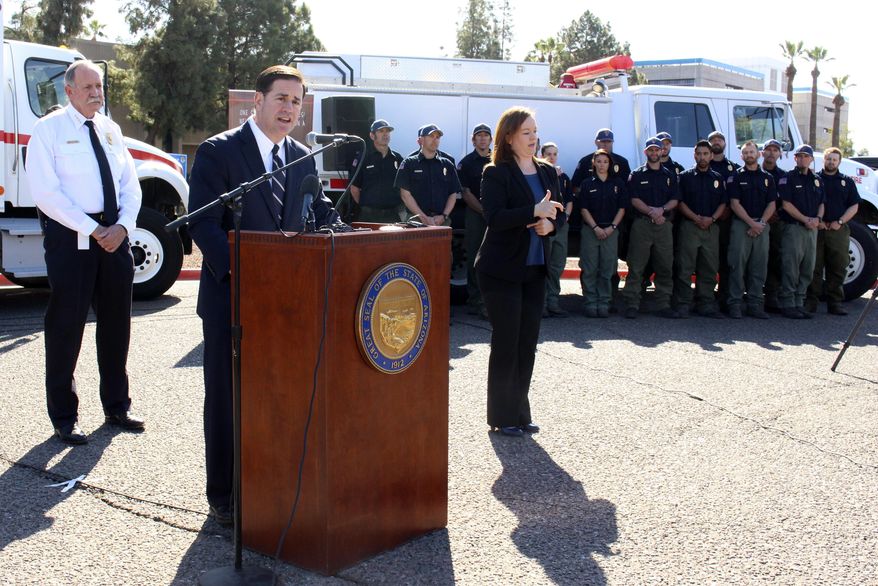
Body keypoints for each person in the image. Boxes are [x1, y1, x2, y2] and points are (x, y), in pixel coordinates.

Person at [188, 65, 339, 525]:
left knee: (278, 397)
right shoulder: (220, 151)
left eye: (297, 101)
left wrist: (345, 232)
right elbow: (202, 223)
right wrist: (246, 273)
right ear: (258, 100)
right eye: (281, 98)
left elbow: (315, 211)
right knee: (228, 399)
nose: (289, 108)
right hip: (233, 298)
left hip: (286, 302)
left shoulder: (300, 154)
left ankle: (272, 485)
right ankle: (226, 497)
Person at [25, 60, 144, 445]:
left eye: (100, 86)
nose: (97, 92)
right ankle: (64, 416)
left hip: (114, 238)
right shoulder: (49, 131)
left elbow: (130, 184)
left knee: (116, 327)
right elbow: (45, 192)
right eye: (89, 86)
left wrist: (123, 226)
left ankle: (117, 406)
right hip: (72, 239)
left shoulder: (111, 130)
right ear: (69, 91)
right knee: (66, 328)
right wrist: (94, 229)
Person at [475, 106, 564, 438]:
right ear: (509, 136)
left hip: (534, 268)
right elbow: (494, 217)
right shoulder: (495, 172)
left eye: (535, 131)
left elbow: (560, 214)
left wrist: (549, 224)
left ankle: (520, 412)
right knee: (507, 341)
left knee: (527, 342)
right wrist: (533, 211)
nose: (533, 138)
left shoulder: (547, 171)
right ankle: (501, 416)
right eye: (526, 132)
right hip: (500, 270)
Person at [622, 138, 680, 319]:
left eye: (657, 150)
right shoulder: (637, 174)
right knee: (637, 265)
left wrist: (661, 210)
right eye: (651, 150)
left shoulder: (670, 176)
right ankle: (632, 303)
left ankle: (663, 304)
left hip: (663, 225)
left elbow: (675, 199)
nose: (654, 153)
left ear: (662, 151)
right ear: (646, 152)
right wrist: (651, 212)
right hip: (642, 224)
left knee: (665, 266)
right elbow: (634, 199)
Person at [673, 140, 727, 318]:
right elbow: (680, 202)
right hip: (690, 226)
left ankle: (706, 304)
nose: (702, 157)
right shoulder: (685, 177)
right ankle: (683, 304)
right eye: (699, 154)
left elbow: (723, 204)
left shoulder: (718, 178)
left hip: (711, 228)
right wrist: (696, 218)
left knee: (709, 268)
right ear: (694, 155)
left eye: (706, 154)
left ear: (711, 155)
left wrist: (711, 219)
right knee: (685, 267)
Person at [726, 141, 777, 319]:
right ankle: (735, 304)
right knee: (737, 266)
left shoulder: (768, 178)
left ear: (758, 154)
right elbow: (734, 203)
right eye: (745, 152)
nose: (749, 155)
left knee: (759, 267)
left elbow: (772, 203)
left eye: (751, 152)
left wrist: (761, 222)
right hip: (742, 225)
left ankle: (755, 305)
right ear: (741, 156)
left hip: (762, 226)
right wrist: (751, 223)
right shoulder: (735, 177)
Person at [807, 147, 860, 315]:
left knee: (838, 266)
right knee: (814, 266)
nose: (831, 162)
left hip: (838, 229)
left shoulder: (847, 182)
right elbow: (807, 203)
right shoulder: (814, 179)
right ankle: (811, 302)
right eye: (829, 159)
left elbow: (854, 206)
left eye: (834, 160)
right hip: (818, 228)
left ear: (839, 162)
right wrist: (818, 221)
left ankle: (835, 302)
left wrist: (840, 221)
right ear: (824, 159)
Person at [577, 149, 626, 318]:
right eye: (598, 161)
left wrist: (611, 227)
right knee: (589, 268)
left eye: (605, 161)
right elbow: (583, 209)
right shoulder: (587, 183)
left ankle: (604, 302)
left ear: (610, 164)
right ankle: (591, 302)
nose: (602, 165)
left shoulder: (617, 183)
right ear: (594, 163)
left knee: (608, 268)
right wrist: (596, 228)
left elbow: (622, 208)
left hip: (611, 231)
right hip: (591, 230)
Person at [777, 144, 824, 319]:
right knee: (791, 267)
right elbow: (786, 204)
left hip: (812, 229)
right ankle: (788, 303)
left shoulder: (817, 180)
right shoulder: (787, 178)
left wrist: (818, 219)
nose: (803, 159)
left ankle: (799, 302)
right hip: (795, 228)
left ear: (811, 159)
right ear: (795, 158)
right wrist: (806, 219)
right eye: (800, 156)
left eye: (806, 156)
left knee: (808, 268)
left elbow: (822, 203)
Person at [458, 123, 493, 319]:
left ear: (490, 139)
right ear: (473, 140)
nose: (482, 139)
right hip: (475, 214)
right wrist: (483, 211)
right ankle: (476, 300)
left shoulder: (499, 160)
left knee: (494, 258)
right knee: (475, 257)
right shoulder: (466, 163)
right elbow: (465, 192)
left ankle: (490, 300)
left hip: (497, 214)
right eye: (478, 136)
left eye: (485, 135)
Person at [395, 124, 460, 226]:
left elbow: (453, 194)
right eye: (431, 136)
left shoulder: (447, 164)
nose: (435, 140)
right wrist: (423, 217)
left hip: (441, 222)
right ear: (421, 140)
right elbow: (405, 195)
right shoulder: (408, 163)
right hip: (416, 221)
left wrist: (443, 216)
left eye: (437, 137)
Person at [707, 130, 740, 312]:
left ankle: (725, 296)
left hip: (727, 220)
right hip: (709, 220)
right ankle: (705, 297)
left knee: (727, 260)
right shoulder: (704, 164)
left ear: (725, 143)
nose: (716, 142)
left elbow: (735, 193)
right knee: (708, 260)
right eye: (713, 140)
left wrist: (727, 209)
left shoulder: (733, 168)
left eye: (720, 139)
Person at [540, 142, 574, 317]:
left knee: (557, 265)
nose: (552, 157)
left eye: (554, 154)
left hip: (561, 226)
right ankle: (542, 304)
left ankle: (553, 302)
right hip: (545, 225)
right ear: (542, 155)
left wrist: (566, 217)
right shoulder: (539, 174)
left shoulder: (564, 177)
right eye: (548, 154)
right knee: (543, 265)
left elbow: (569, 200)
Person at [349, 119, 404, 223]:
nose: (385, 134)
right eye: (381, 131)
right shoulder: (363, 157)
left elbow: (403, 188)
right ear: (372, 135)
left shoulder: (397, 158)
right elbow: (354, 188)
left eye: (387, 131)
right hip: (369, 216)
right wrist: (366, 206)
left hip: (392, 215)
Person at [761, 139, 786, 312]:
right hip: (754, 221)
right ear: (762, 153)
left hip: (776, 222)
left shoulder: (784, 176)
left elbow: (788, 200)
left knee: (775, 258)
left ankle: (771, 295)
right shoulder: (752, 170)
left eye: (775, 150)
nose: (771, 152)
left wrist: (776, 214)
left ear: (780, 154)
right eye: (768, 149)